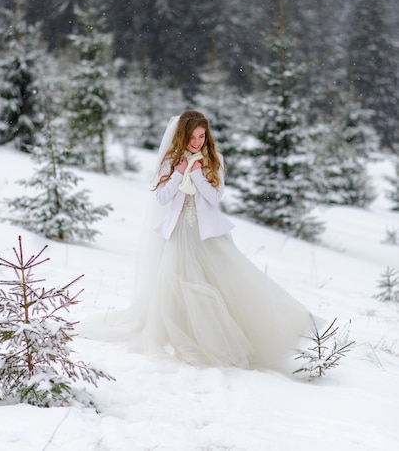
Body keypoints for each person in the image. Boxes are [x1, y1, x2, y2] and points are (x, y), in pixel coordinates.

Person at [83, 110, 318, 371]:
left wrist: (196, 174)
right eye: (192, 136)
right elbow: (161, 198)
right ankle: (188, 335)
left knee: (226, 280)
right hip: (179, 232)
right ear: (182, 136)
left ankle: (259, 328)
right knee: (179, 283)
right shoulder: (171, 160)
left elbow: (215, 197)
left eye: (202, 136)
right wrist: (178, 173)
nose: (197, 142)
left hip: (208, 233)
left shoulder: (212, 159)